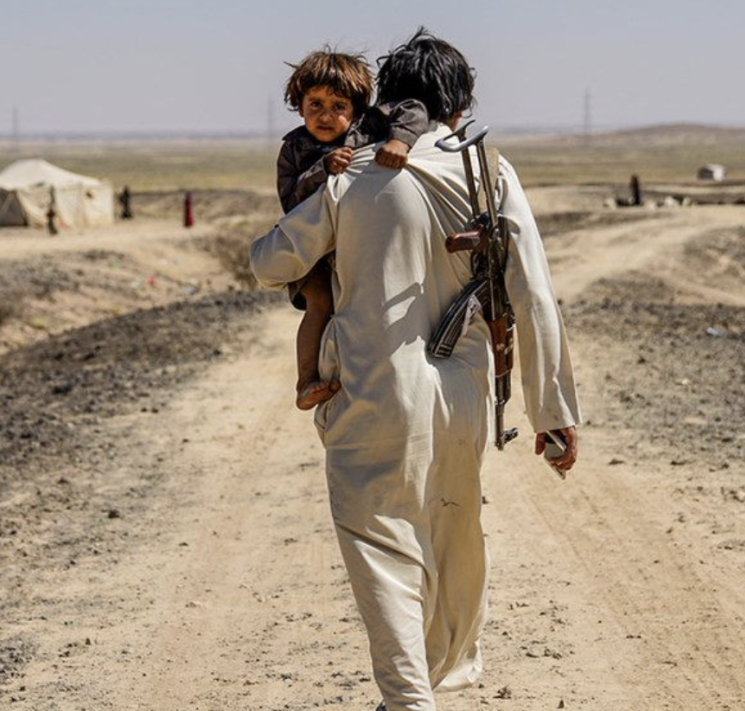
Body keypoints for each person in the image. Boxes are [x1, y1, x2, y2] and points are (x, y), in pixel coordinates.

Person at [250, 29, 581, 711]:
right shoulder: (488, 170)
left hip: (370, 390)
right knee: (451, 533)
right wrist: (554, 417)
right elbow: (535, 296)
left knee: (382, 543)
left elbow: (269, 262)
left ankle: (408, 698)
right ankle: (431, 684)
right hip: (462, 395)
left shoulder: (352, 174)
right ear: (457, 106)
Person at [276, 48, 431, 411]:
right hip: (313, 250)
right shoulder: (294, 149)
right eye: (315, 104)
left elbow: (414, 109)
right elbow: (289, 200)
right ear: (299, 106)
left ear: (357, 109)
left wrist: (399, 141)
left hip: (358, 245)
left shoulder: (369, 128)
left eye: (338, 106)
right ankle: (305, 382)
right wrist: (321, 171)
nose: (325, 115)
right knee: (321, 304)